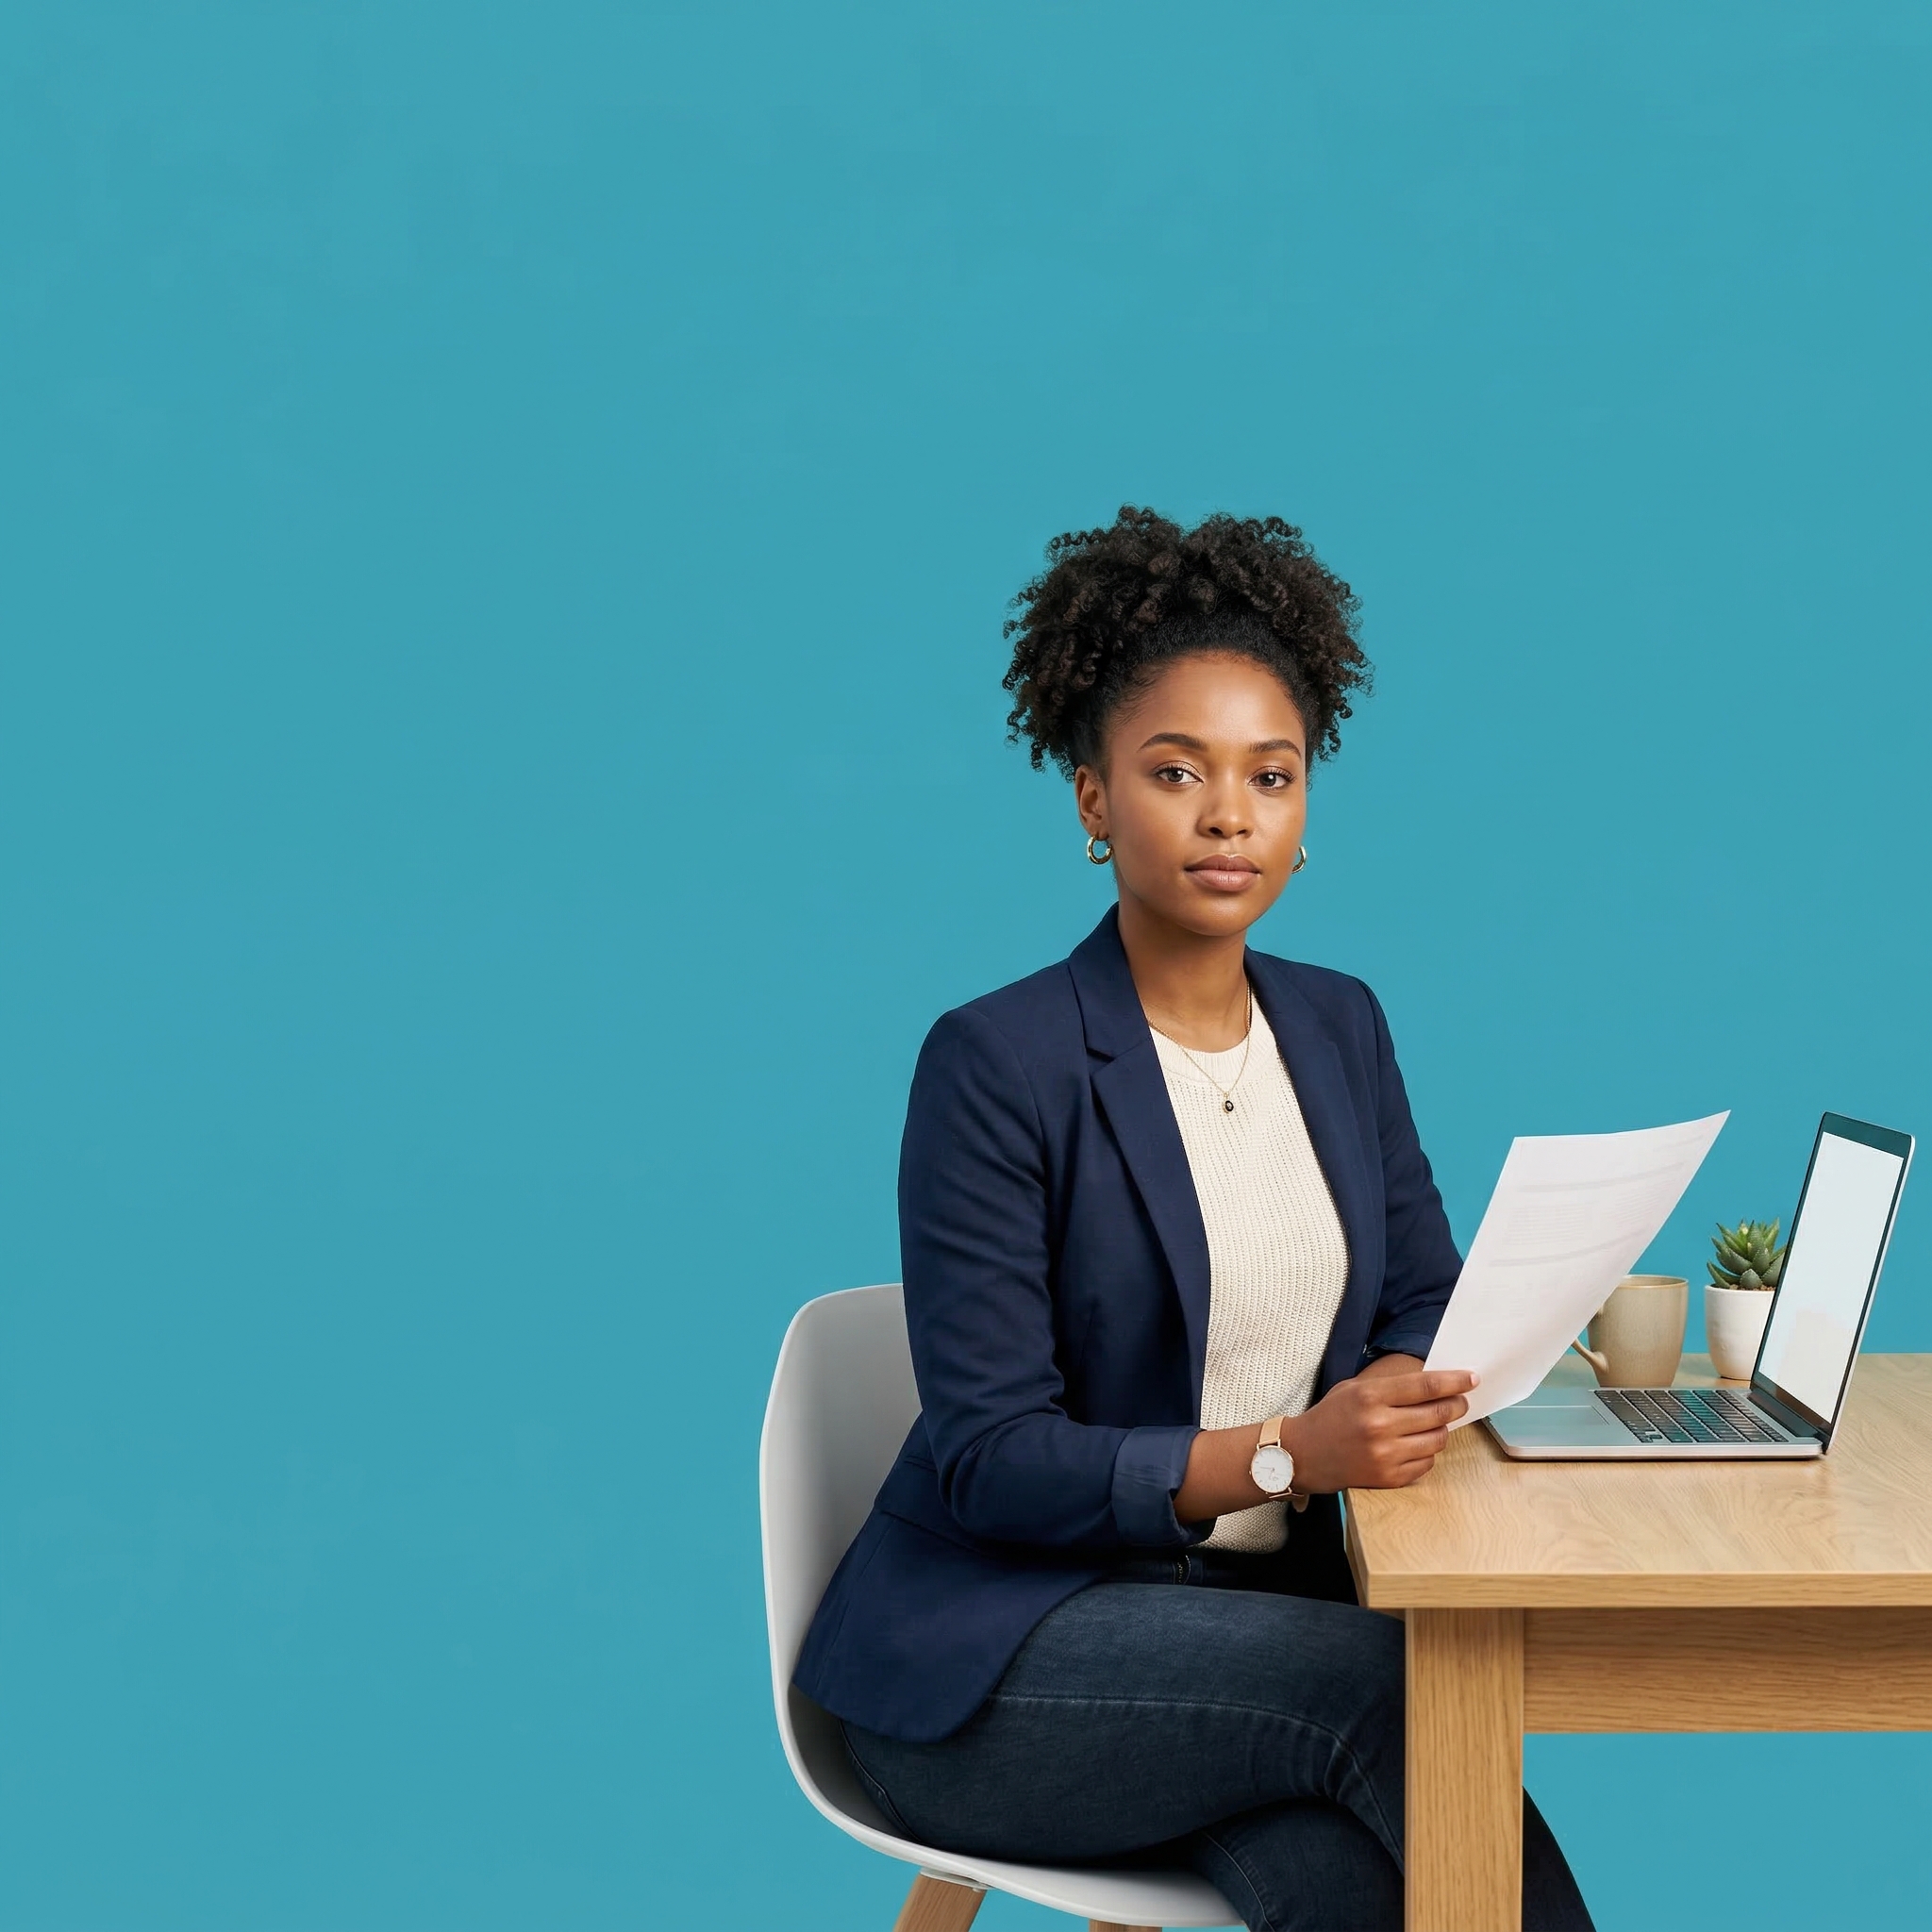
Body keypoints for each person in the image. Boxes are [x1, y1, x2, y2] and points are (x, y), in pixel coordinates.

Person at [794, 508, 1593, 1932]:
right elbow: (991, 1459)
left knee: (1359, 1885)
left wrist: (1422, 1374)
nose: (1231, 814)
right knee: (1408, 1706)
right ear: (1095, 800)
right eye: (1177, 772)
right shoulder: (998, 1062)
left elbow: (1420, 1289)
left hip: (1249, 1650)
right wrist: (1291, 1453)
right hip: (1008, 1661)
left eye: (1270, 776)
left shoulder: (1339, 1025)